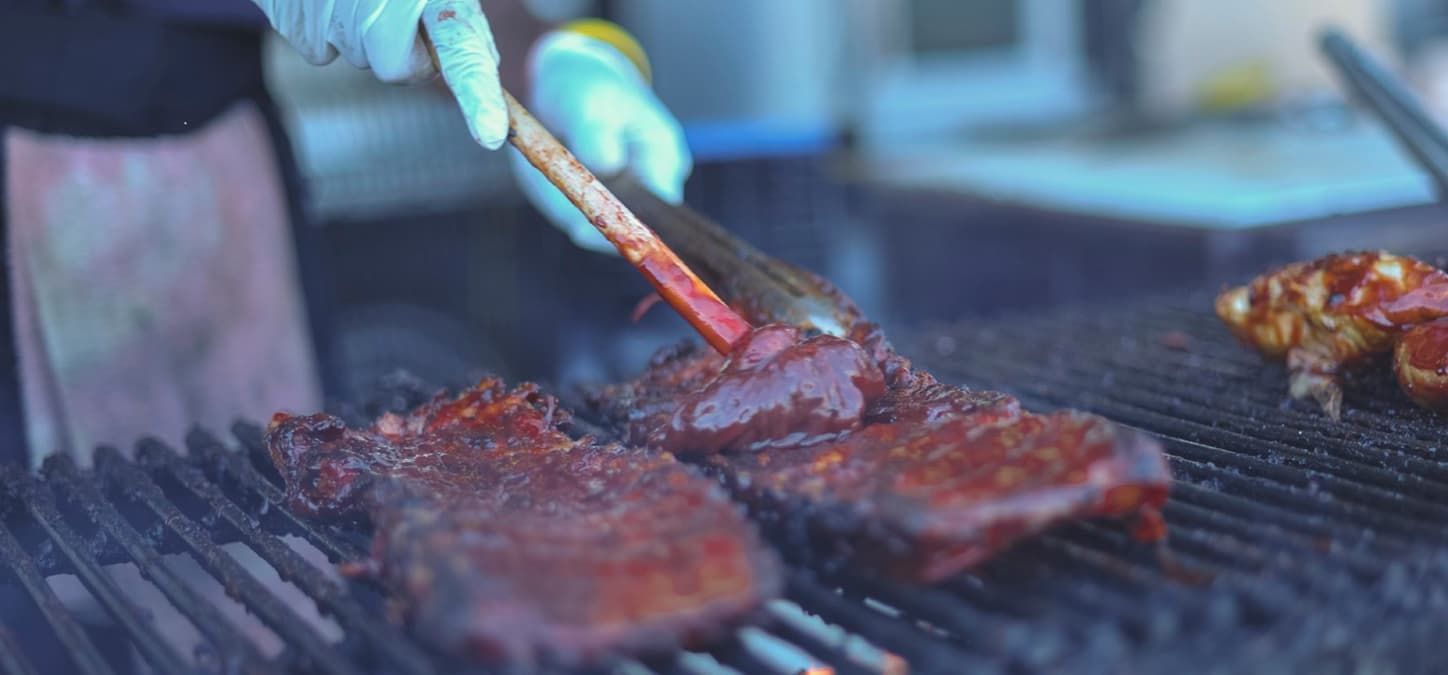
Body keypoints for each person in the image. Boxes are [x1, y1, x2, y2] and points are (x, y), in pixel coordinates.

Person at [0, 0, 691, 468]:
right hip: (19, 207)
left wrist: (555, 62)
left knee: (273, 537)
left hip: (232, 189)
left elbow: (426, 16)